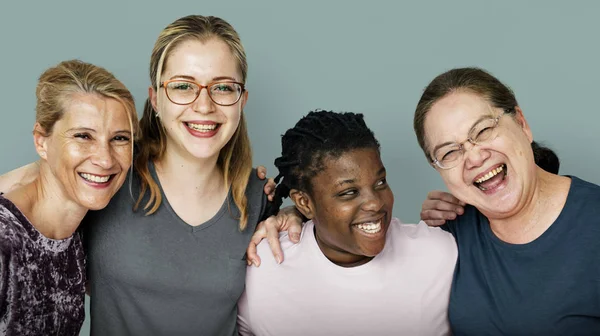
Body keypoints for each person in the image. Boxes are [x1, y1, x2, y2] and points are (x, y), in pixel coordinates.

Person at [0, 15, 279, 335]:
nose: (204, 105)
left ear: (241, 100)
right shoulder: (109, 178)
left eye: (223, 87)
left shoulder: (261, 197)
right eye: (183, 86)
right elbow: (49, 180)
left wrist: (292, 216)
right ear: (156, 99)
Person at [413, 67, 600, 335]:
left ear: (522, 123)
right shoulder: (447, 234)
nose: (475, 158)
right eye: (451, 152)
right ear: (439, 170)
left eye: (483, 130)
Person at [238, 110, 457, 335]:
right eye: (348, 192)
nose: (374, 203)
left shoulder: (439, 253)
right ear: (304, 203)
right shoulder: (263, 270)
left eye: (380, 182)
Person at [0, 59, 137, 335]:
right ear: (41, 141)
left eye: (120, 138)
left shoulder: (87, 226)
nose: (105, 159)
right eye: (83, 136)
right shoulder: (5, 239)